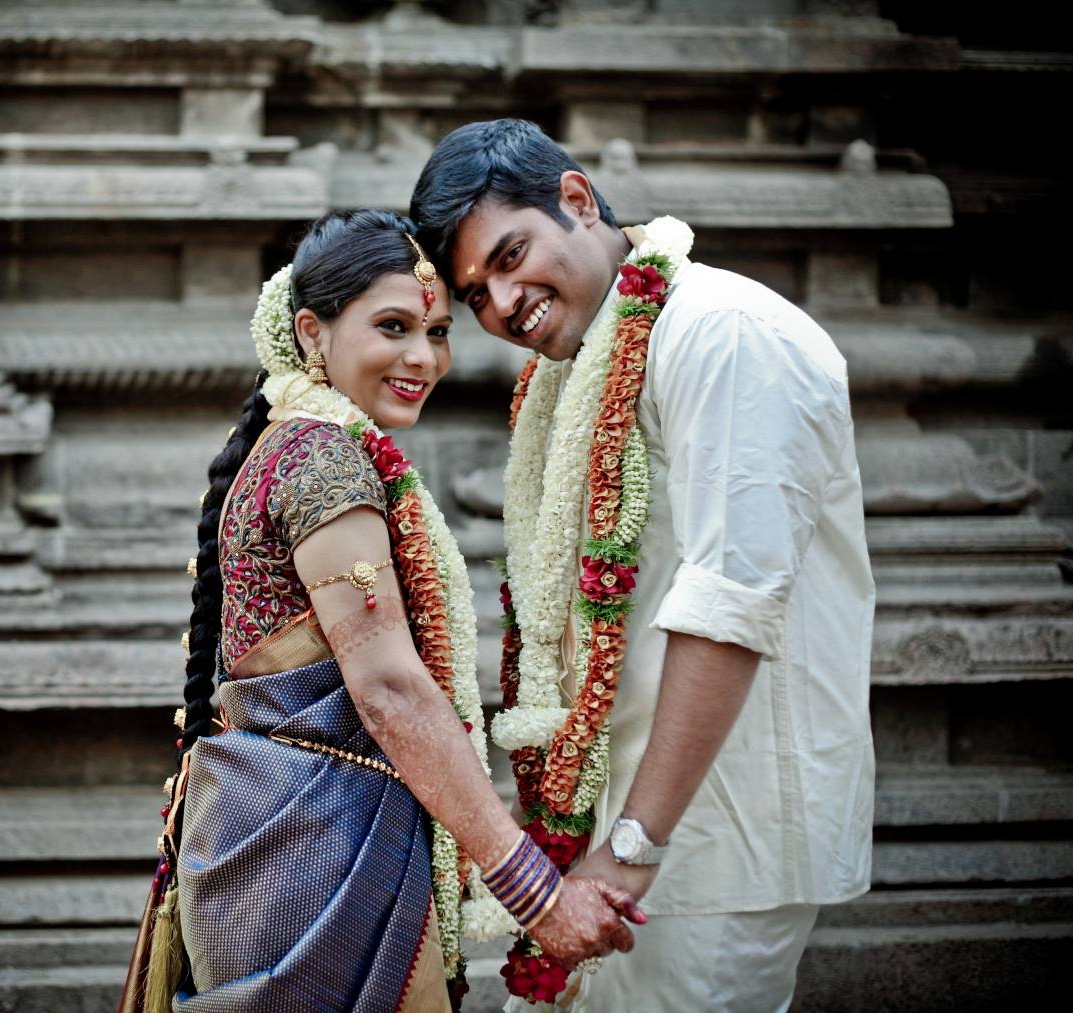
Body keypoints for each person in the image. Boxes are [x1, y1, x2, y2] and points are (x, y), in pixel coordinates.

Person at [119, 210, 647, 1013]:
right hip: (315, 862)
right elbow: (390, 690)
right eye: (393, 326)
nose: (422, 357)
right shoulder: (325, 460)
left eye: (437, 332)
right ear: (313, 331)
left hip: (274, 836)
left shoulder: (286, 443)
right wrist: (537, 894)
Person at [409, 120, 876, 1011]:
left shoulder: (725, 333)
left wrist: (631, 846)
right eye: (476, 292)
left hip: (715, 836)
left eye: (512, 255)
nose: (505, 302)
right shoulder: (583, 368)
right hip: (626, 831)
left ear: (577, 200)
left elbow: (730, 602)